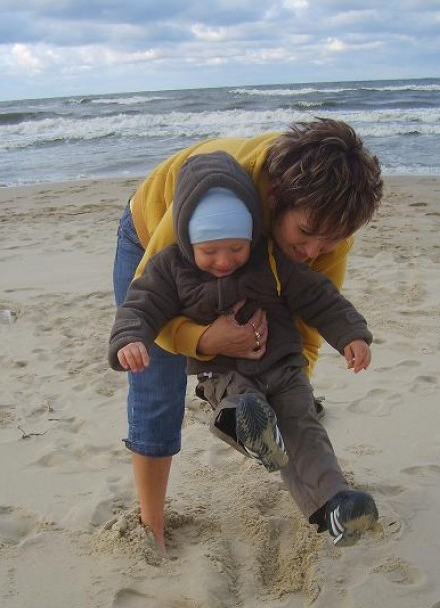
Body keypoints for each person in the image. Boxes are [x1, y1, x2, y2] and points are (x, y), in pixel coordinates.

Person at [112, 118, 383, 550]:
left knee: (295, 406)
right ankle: (152, 524)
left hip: (255, 258)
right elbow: (146, 306)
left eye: (331, 241)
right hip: (160, 232)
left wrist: (292, 388)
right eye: (307, 234)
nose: (314, 251)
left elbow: (311, 315)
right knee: (156, 382)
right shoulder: (216, 197)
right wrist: (204, 341)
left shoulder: (327, 227)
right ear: (275, 198)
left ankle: (329, 502)